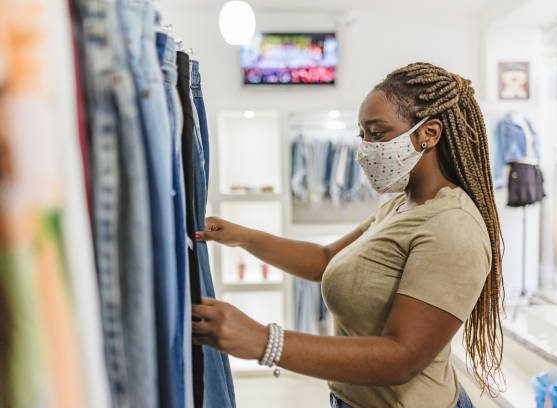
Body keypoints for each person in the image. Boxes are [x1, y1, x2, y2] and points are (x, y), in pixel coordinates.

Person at [192, 62, 505, 408]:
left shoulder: (453, 225)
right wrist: (241, 236)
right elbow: (325, 261)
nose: (365, 149)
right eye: (363, 135)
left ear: (428, 134)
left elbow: (401, 357)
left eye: (378, 133)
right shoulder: (403, 205)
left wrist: (264, 341)